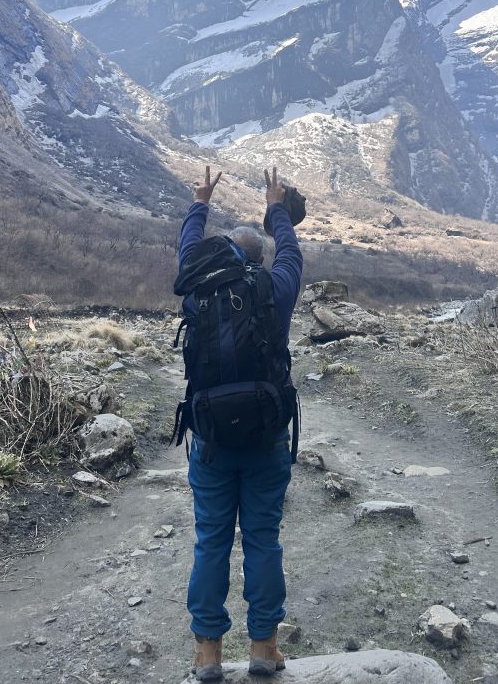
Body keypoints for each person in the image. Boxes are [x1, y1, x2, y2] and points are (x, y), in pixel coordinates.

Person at [177, 165, 303, 681]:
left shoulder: (198, 292)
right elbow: (292, 253)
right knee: (262, 540)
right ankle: (263, 648)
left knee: (211, 541)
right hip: (267, 437)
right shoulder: (276, 291)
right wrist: (277, 209)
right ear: (259, 261)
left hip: (209, 437)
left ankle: (208, 654)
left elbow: (186, 254)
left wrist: (199, 204)